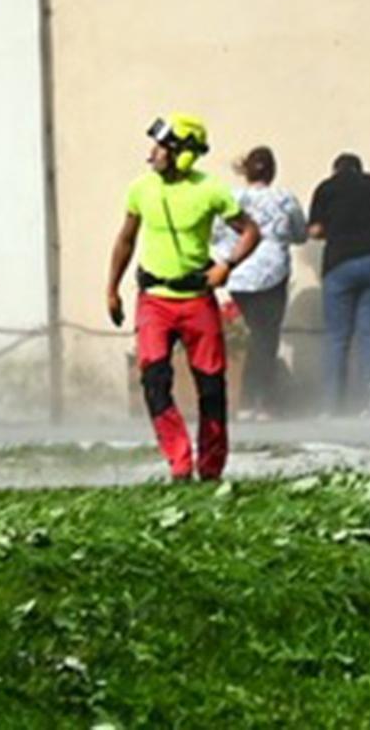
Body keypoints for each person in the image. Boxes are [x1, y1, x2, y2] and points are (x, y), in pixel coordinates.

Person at [102, 111, 251, 482]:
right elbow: (125, 239)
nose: (152, 153)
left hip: (197, 298)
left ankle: (211, 468)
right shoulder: (141, 188)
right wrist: (112, 289)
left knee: (211, 386)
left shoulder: (210, 190)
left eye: (161, 147)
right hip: (153, 298)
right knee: (154, 379)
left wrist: (227, 266)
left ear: (183, 153)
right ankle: (179, 462)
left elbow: (250, 231)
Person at [304, 149, 370, 413]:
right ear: (359, 168)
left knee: (338, 337)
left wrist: (333, 229)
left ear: (335, 170)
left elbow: (314, 230)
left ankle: (333, 406)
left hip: (340, 264)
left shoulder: (325, 188)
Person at [220, 146, 304, 415]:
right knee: (266, 337)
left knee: (260, 336)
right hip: (273, 275)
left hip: (239, 277)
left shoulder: (233, 198)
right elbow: (300, 234)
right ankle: (258, 400)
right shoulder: (285, 199)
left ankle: (252, 401)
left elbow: (215, 235)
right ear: (273, 170)